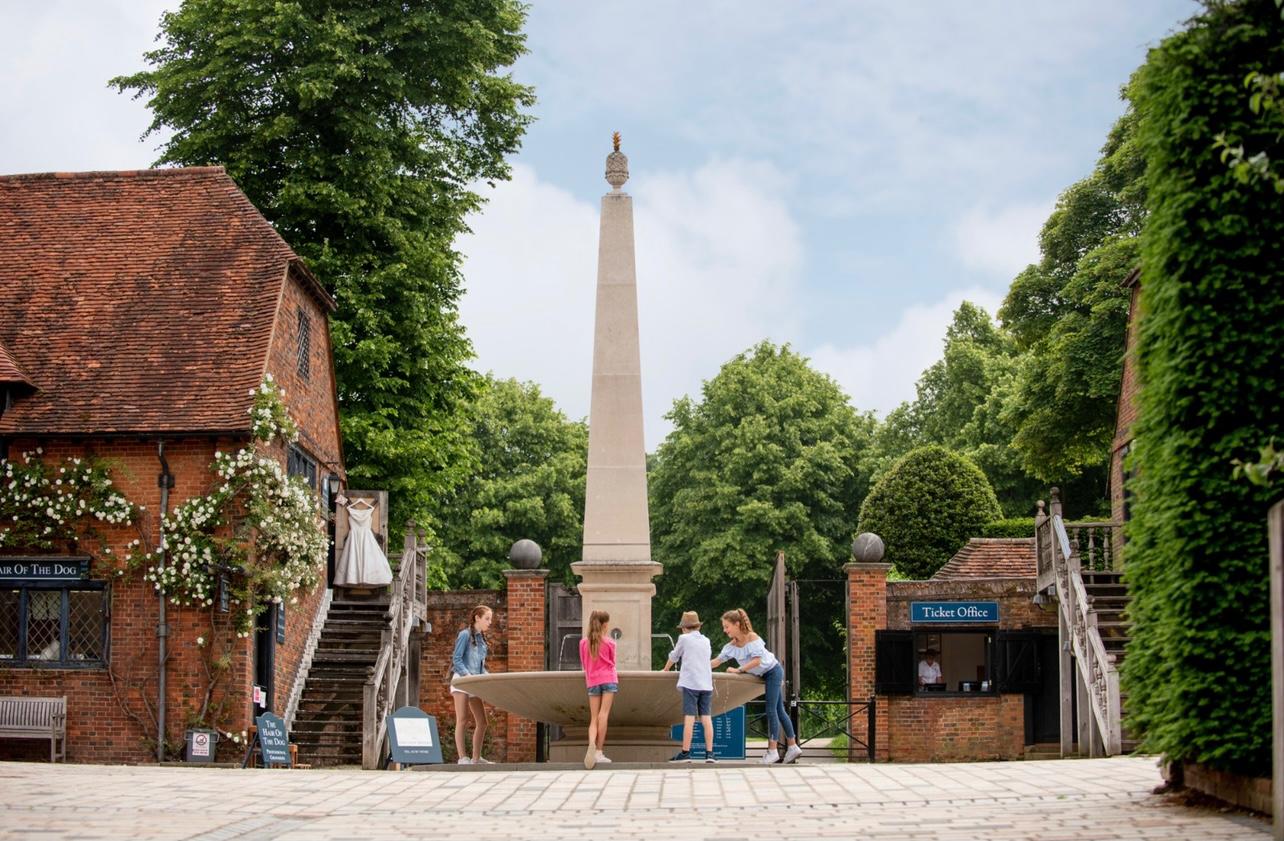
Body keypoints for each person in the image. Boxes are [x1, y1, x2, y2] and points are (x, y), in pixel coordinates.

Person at [712, 608, 801, 765]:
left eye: (727, 626)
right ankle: (792, 746)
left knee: (771, 709)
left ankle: (772, 751)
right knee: (779, 710)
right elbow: (717, 661)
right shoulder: (730, 647)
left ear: (737, 624)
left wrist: (738, 670)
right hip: (764, 675)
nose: (724, 630)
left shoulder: (753, 638)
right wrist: (699, 667)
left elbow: (757, 661)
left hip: (773, 671)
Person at [661, 611, 716, 763]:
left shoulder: (683, 639)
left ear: (684, 628)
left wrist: (665, 669)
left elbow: (674, 656)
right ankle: (710, 754)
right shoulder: (706, 640)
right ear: (698, 626)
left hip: (691, 683)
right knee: (706, 718)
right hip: (706, 683)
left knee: (690, 718)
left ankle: (686, 753)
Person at [450, 605, 492, 764]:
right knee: (463, 719)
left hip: (474, 683)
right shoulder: (464, 635)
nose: (489, 622)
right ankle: (462, 758)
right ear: (477, 618)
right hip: (461, 681)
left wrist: (491, 679)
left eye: (490, 619)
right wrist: (467, 676)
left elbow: (481, 668)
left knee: (482, 722)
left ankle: (476, 758)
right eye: (487, 619)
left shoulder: (482, 640)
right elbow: (457, 660)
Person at [579, 610, 618, 769]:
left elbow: (584, 663)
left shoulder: (583, 643)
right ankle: (599, 751)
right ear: (604, 624)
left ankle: (591, 744)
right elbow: (612, 662)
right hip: (608, 678)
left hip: (592, 681)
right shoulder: (610, 643)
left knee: (594, 717)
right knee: (604, 715)